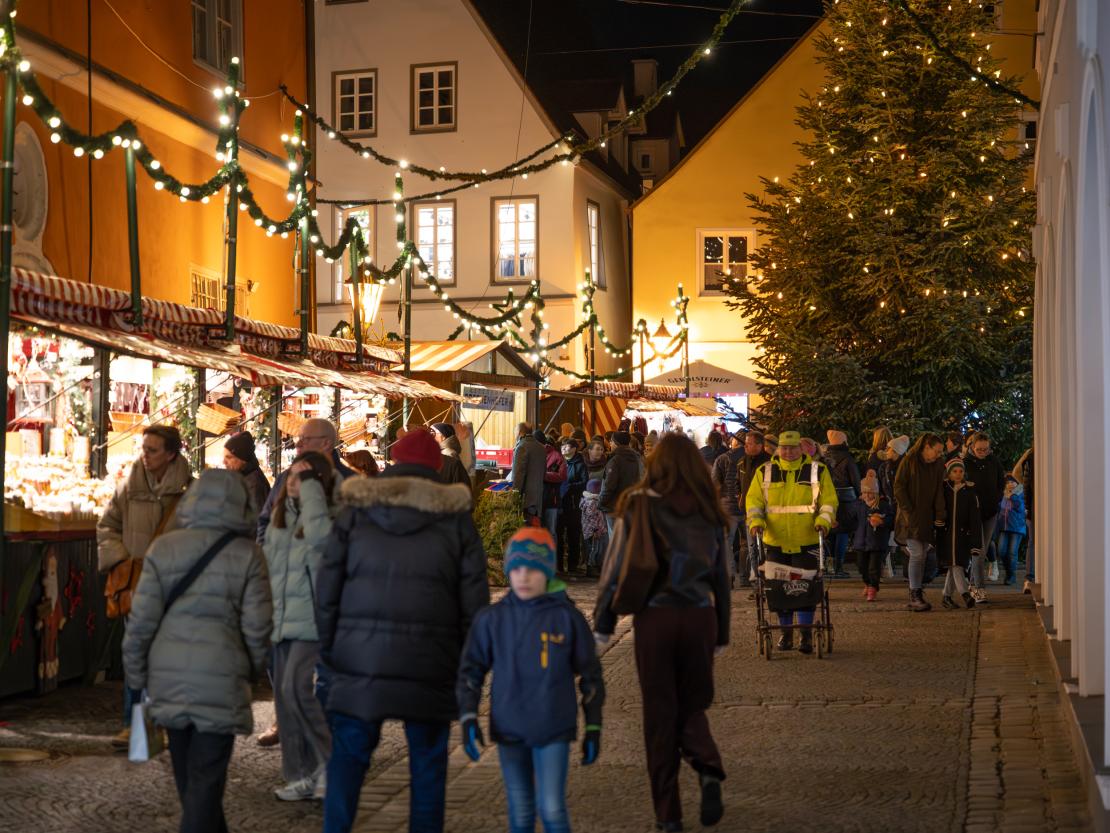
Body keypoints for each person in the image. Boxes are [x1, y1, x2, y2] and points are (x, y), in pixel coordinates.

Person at [315, 429, 490, 833]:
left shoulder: (356, 512)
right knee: (428, 766)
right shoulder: (456, 522)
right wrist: (467, 665)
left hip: (360, 660)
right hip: (431, 662)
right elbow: (475, 607)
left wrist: (331, 649)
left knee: (348, 758)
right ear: (436, 466)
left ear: (393, 461)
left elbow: (327, 590)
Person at [122, 470, 272, 833]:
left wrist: (139, 679)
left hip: (167, 679)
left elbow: (140, 624)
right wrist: (250, 670)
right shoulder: (248, 555)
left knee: (191, 783)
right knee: (204, 784)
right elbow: (258, 628)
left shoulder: (163, 549)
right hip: (221, 680)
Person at [594, 433, 730, 832]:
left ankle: (668, 814)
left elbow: (615, 567)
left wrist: (603, 625)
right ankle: (707, 766)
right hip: (700, 617)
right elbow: (722, 575)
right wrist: (722, 631)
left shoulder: (638, 504)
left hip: (656, 618)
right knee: (692, 704)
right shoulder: (708, 508)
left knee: (659, 713)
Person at [458, 528, 604, 833]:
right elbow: (471, 669)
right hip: (509, 727)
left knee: (551, 809)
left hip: (554, 728)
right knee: (521, 811)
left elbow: (590, 675)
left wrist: (593, 726)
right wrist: (469, 715)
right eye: (517, 569)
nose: (524, 576)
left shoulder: (568, 618)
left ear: (547, 572)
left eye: (533, 569)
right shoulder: (492, 619)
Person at [97, 424, 193, 749]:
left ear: (170, 454)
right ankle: (132, 725)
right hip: (135, 586)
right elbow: (107, 525)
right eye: (144, 448)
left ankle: (160, 722)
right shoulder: (129, 488)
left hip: (170, 587)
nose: (145, 455)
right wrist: (122, 561)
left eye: (153, 450)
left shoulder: (189, 493)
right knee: (135, 655)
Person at [263, 451, 337, 802]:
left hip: (310, 620)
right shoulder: (281, 517)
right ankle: (300, 774)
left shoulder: (326, 519)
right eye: (291, 476)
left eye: (302, 477)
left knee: (297, 691)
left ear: (317, 485)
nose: (292, 482)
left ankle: (330, 765)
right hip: (280, 621)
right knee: (284, 700)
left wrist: (310, 490)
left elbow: (321, 541)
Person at [746, 430, 837, 652]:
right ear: (777, 450)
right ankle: (785, 634)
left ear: (801, 448)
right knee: (779, 590)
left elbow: (828, 502)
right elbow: (754, 501)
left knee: (806, 589)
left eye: (792, 448)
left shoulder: (818, 471)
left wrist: (823, 522)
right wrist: (755, 521)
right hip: (775, 542)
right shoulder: (764, 471)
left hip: (807, 540)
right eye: (784, 448)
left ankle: (805, 634)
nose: (788, 452)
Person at [258, 419, 354, 544]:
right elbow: (266, 519)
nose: (298, 444)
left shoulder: (349, 482)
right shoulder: (285, 477)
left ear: (326, 443)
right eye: (298, 438)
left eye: (305, 439)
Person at [893, 433, 947, 612]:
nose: (939, 455)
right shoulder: (910, 460)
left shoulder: (938, 464)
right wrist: (908, 510)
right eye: (937, 451)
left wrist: (940, 514)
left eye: (941, 452)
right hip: (911, 515)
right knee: (917, 553)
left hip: (928, 515)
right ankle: (915, 593)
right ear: (926, 447)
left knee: (923, 552)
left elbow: (940, 489)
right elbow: (899, 486)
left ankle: (916, 590)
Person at [963, 432, 1006, 598]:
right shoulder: (966, 463)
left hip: (990, 512)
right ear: (972, 447)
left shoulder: (993, 461)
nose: (982, 452)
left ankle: (973, 585)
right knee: (978, 550)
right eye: (979, 449)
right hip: (973, 513)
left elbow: (1000, 482)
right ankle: (978, 587)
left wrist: (997, 498)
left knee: (982, 550)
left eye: (985, 449)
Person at [938, 458, 981, 609]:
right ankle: (965, 594)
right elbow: (938, 508)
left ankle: (946, 596)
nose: (958, 474)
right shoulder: (944, 490)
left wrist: (976, 543)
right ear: (949, 473)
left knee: (955, 565)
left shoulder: (969, 493)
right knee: (955, 565)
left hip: (963, 536)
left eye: (961, 471)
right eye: (954, 471)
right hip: (947, 534)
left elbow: (975, 519)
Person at [847, 471, 894, 601]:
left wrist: (882, 521)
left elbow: (891, 520)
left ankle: (873, 587)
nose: (867, 495)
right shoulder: (858, 505)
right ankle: (867, 583)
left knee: (874, 567)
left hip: (877, 543)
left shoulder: (883, 505)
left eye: (870, 492)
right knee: (861, 566)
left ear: (876, 492)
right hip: (861, 542)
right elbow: (850, 519)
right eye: (865, 492)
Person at [824, 429, 861, 579]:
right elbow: (855, 480)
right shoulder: (847, 458)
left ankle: (829, 566)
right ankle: (838, 566)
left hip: (828, 499)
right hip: (846, 501)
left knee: (831, 534)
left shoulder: (825, 458)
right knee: (843, 533)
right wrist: (859, 496)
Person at [736, 430, 771, 588]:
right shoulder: (742, 462)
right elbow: (738, 483)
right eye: (746, 443)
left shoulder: (769, 463)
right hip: (748, 512)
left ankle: (766, 578)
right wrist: (740, 497)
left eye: (749, 443)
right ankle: (755, 579)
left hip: (766, 511)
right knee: (751, 547)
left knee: (764, 547)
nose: (746, 446)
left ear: (759, 445)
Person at [711, 432, 746, 584]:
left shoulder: (723, 458)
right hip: (747, 507)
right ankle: (747, 577)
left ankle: (730, 575)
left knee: (727, 543)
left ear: (734, 442)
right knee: (749, 544)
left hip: (727, 507)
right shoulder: (752, 458)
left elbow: (715, 483)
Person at [599, 430, 642, 537]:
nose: (610, 444)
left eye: (612, 441)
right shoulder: (637, 458)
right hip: (631, 506)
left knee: (615, 542)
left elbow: (609, 486)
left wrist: (601, 502)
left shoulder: (615, 460)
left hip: (614, 507)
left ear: (617, 443)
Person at [557, 438, 587, 574]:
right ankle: (559, 565)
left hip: (574, 505)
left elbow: (584, 482)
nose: (563, 448)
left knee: (573, 535)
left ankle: (572, 565)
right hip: (560, 504)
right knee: (558, 534)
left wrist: (570, 487)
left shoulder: (580, 464)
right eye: (562, 446)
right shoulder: (559, 462)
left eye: (566, 446)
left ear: (575, 448)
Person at [223, 431, 271, 514]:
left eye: (229, 457)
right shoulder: (243, 477)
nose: (224, 462)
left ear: (243, 459)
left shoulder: (253, 484)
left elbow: (255, 522)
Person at [511, 422, 547, 525]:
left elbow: (518, 475)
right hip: (537, 499)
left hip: (525, 500)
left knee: (525, 532)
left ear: (519, 432)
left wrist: (514, 496)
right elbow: (544, 473)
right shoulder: (541, 448)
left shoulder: (521, 447)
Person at [995, 475, 1027, 586]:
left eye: (1012, 482)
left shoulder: (1020, 493)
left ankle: (1011, 576)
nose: (1010, 484)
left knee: (1012, 552)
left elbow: (1020, 507)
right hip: (1004, 527)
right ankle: (1009, 572)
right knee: (1001, 551)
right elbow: (999, 508)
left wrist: (1012, 495)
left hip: (1017, 527)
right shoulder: (1003, 494)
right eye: (1008, 482)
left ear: (1017, 484)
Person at [1013, 446, 1035, 592]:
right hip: (1034, 504)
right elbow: (1017, 474)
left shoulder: (1030, 454)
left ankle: (1029, 578)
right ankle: (1030, 577)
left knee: (1032, 542)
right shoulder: (1031, 455)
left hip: (1032, 504)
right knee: (1033, 542)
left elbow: (1017, 474)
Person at [539, 431, 568, 542]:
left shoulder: (557, 457)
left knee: (550, 531)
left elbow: (562, 475)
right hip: (537, 499)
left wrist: (543, 475)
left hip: (551, 499)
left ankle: (551, 558)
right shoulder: (535, 454)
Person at [431, 423, 471, 491]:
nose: (432, 436)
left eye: (435, 433)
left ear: (443, 436)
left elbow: (451, 476)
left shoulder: (449, 453)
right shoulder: (442, 451)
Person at [580, 479, 607, 579]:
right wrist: (595, 530)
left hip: (597, 530)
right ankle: (591, 568)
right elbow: (591, 519)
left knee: (597, 549)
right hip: (592, 532)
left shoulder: (594, 501)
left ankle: (596, 566)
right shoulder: (591, 503)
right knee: (593, 549)